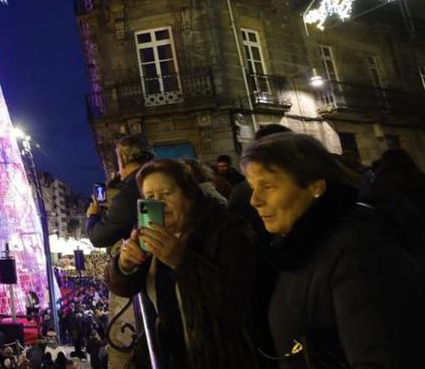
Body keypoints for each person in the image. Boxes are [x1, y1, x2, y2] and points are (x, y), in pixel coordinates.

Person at [242, 133, 425, 367]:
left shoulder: (358, 250)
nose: (254, 200)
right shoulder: (288, 249)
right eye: (252, 187)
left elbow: (383, 354)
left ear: (315, 186)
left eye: (268, 186)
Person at [106, 159, 258, 369]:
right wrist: (125, 265)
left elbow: (239, 300)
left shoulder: (226, 229)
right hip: (169, 356)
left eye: (167, 194)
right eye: (150, 197)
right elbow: (123, 287)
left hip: (219, 357)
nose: (159, 203)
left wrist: (181, 260)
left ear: (189, 196)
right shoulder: (148, 233)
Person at [86, 134, 155, 247]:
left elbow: (98, 238)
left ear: (122, 160)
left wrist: (93, 216)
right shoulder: (157, 177)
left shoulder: (129, 192)